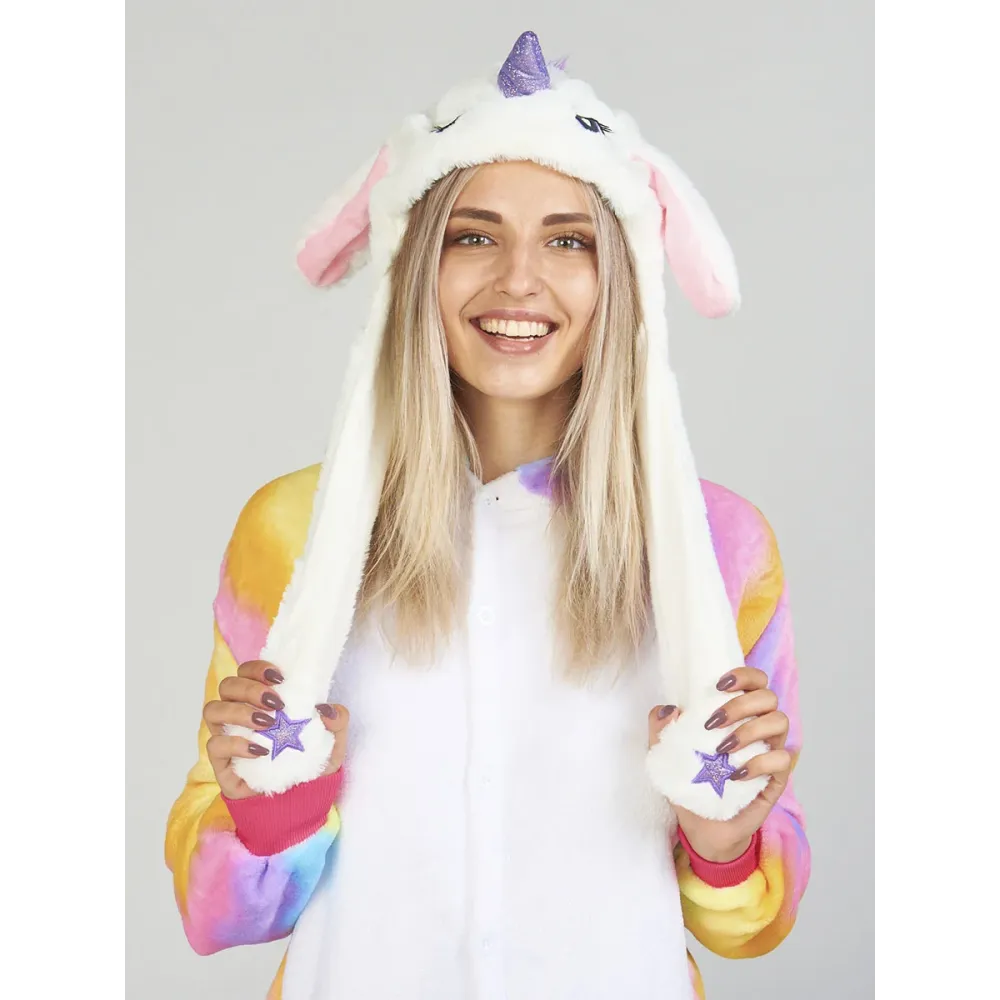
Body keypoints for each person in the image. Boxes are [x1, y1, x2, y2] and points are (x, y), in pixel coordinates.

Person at [165, 30, 810, 1000]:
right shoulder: (292, 530)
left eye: (569, 239)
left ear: (622, 274)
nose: (518, 279)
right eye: (473, 235)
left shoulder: (719, 546)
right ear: (412, 263)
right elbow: (218, 914)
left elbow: (750, 926)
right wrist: (273, 806)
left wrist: (724, 843)